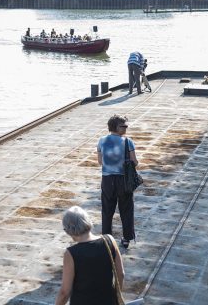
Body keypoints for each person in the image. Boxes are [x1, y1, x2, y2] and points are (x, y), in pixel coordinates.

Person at [55, 206, 124, 305]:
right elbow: (121, 274)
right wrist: (116, 296)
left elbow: (64, 292)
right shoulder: (109, 240)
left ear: (69, 230)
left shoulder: (71, 254)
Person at [97, 115, 138, 249]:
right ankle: (126, 238)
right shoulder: (128, 142)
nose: (126, 128)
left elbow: (100, 161)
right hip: (123, 180)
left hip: (107, 180)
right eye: (124, 126)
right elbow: (134, 162)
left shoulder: (101, 141)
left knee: (107, 210)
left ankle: (106, 239)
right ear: (116, 127)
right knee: (126, 209)